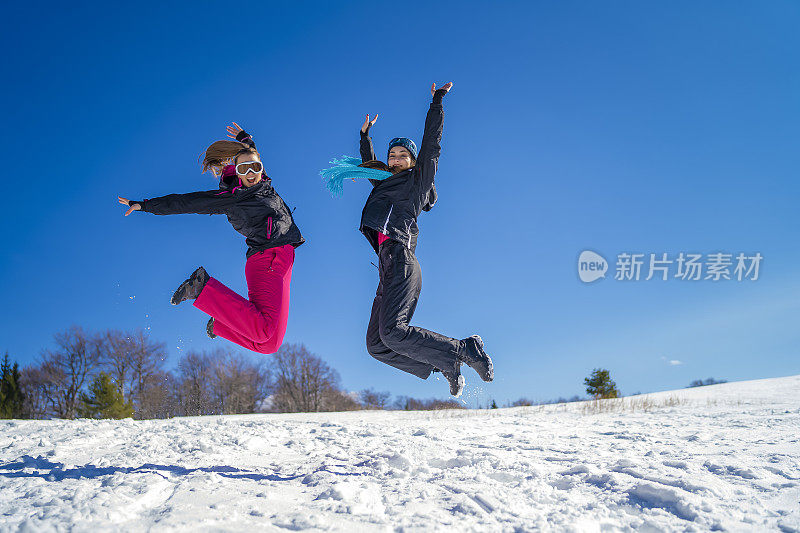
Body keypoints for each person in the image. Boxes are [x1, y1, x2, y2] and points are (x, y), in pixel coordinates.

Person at [117, 123, 304, 354]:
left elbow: (250, 154)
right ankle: (202, 287)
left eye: (255, 167)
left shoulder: (263, 184)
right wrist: (146, 205)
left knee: (269, 344)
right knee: (264, 330)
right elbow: (188, 202)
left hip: (284, 259)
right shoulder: (232, 197)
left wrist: (245, 139)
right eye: (244, 170)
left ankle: (221, 325)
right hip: (267, 259)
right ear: (237, 173)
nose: (251, 174)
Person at [358, 82, 493, 397]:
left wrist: (436, 102)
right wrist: (365, 139)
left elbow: (431, 145)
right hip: (387, 266)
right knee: (377, 345)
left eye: (402, 155)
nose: (395, 159)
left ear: (413, 162)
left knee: (392, 332)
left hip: (401, 259)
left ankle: (464, 349)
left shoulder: (415, 184)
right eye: (392, 155)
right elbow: (370, 171)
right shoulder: (385, 186)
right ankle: (445, 363)